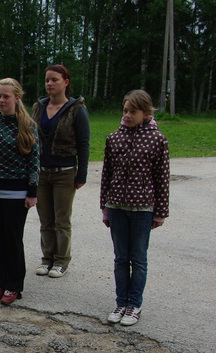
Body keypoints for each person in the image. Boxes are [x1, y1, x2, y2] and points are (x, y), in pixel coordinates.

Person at [100, 89, 169, 326]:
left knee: (138, 258)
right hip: (116, 207)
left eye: (133, 112)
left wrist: (160, 212)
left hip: (142, 210)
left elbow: (162, 178)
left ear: (146, 113)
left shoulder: (157, 139)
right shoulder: (114, 138)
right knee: (121, 258)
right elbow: (107, 175)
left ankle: (134, 304)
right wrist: (105, 207)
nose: (127, 115)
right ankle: (121, 302)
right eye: (125, 111)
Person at [0, 78, 39, 305]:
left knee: (12, 239)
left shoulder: (28, 125)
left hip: (17, 193)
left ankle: (13, 285)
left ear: (17, 98)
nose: (1, 100)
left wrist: (32, 192)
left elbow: (34, 161)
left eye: (6, 96)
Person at [31, 65, 90, 278]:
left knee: (61, 219)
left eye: (54, 79)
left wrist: (81, 174)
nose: (49, 84)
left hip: (65, 172)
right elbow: (31, 138)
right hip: (41, 172)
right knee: (45, 219)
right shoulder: (39, 107)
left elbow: (83, 144)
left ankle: (61, 260)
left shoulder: (77, 110)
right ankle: (47, 258)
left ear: (66, 82)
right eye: (47, 80)